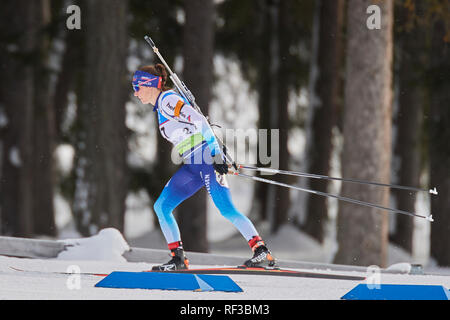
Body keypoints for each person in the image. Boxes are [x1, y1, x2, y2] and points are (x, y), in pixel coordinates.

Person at [132, 64, 276, 271]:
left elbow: (199, 120)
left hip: (207, 160)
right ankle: (178, 259)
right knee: (162, 207)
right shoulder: (161, 106)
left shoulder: (168, 100)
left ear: (149, 84)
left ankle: (260, 250)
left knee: (226, 209)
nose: (135, 93)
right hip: (192, 166)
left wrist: (216, 154)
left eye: (137, 87)